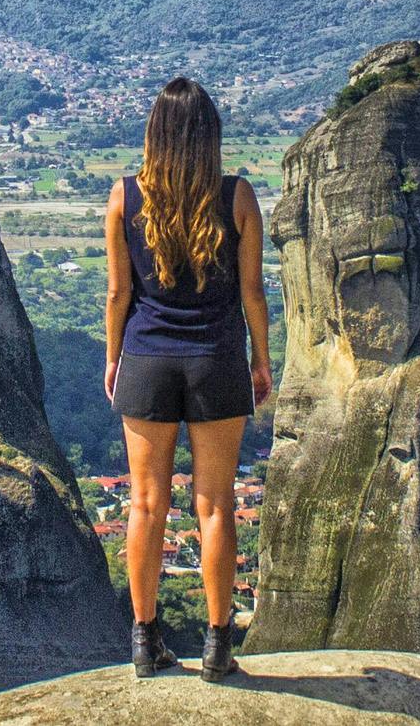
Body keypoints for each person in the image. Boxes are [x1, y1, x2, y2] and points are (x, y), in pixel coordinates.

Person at [104, 76, 273, 682]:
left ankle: (145, 642)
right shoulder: (237, 197)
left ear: (155, 132)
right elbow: (252, 292)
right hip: (216, 359)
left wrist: (113, 356)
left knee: (145, 504)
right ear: (210, 136)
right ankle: (217, 643)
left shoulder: (124, 197)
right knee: (216, 504)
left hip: (146, 358)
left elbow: (121, 291)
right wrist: (261, 360)